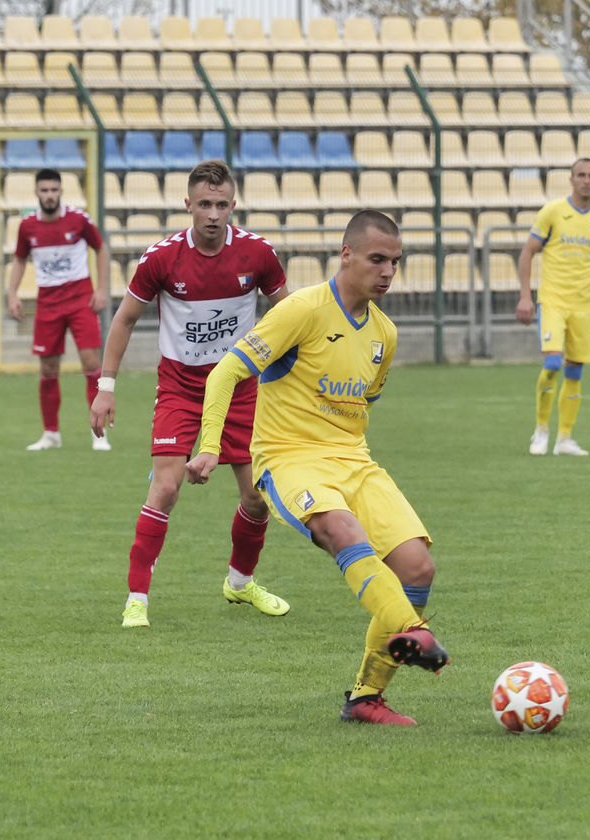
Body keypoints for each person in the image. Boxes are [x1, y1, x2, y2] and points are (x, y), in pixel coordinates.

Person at [186, 210, 451, 726]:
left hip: (353, 459)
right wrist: (210, 446)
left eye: (395, 262)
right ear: (346, 254)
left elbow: (362, 405)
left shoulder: (385, 334)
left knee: (418, 567)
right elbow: (226, 372)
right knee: (338, 528)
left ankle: (366, 699)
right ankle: (410, 629)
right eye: (377, 259)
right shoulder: (302, 310)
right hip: (288, 457)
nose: (388, 272)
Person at [90, 159, 291, 629]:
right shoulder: (161, 259)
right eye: (204, 204)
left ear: (233, 205)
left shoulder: (258, 254)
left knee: (258, 497)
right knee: (165, 487)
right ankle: (137, 599)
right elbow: (124, 319)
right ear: (188, 205)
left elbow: (290, 316)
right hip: (180, 388)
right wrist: (105, 387)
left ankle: (240, 583)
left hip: (240, 388)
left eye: (221, 205)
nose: (213, 214)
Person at [516, 157, 590, 456]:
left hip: (584, 306)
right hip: (552, 301)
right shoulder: (552, 212)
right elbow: (527, 252)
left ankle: (564, 438)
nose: (586, 180)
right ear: (572, 179)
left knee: (575, 371)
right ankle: (541, 430)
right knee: (553, 364)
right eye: (581, 175)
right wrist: (525, 295)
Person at [7, 168, 111, 451]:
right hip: (48, 303)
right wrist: (12, 293)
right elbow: (19, 260)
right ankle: (51, 434)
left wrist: (101, 289)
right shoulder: (28, 226)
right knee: (48, 368)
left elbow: (101, 249)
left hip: (80, 300)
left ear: (61, 191)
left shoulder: (79, 219)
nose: (50, 195)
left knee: (91, 363)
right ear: (36, 192)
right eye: (45, 190)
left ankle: (99, 434)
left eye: (54, 190)